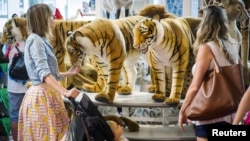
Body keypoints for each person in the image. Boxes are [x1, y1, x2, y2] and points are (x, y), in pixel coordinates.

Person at [17, 4, 81, 141]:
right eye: (51, 16)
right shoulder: (36, 41)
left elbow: (46, 72)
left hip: (46, 95)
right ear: (42, 19)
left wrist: (66, 74)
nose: (54, 19)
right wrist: (66, 92)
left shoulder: (40, 40)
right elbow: (44, 74)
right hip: (42, 98)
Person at [178, 5, 240, 141]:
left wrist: (183, 110)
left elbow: (195, 86)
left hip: (208, 112)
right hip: (230, 111)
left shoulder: (207, 48)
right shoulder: (234, 46)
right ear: (224, 23)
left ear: (204, 24)